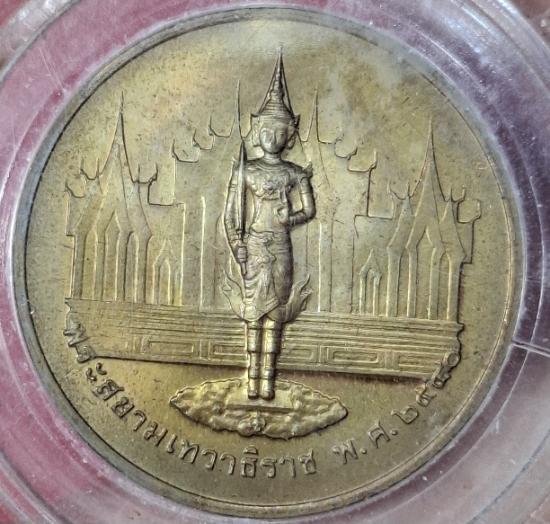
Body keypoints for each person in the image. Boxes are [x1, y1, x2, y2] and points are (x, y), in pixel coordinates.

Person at [224, 52, 316, 400]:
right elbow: (231, 216)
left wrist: (290, 219)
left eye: (280, 131)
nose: (272, 136)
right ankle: (251, 379)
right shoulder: (245, 171)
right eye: (266, 129)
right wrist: (237, 244)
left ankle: (268, 381)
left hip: (280, 245)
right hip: (254, 244)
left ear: (290, 135)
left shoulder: (295, 173)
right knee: (253, 315)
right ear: (256, 130)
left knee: (275, 314)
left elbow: (309, 210)